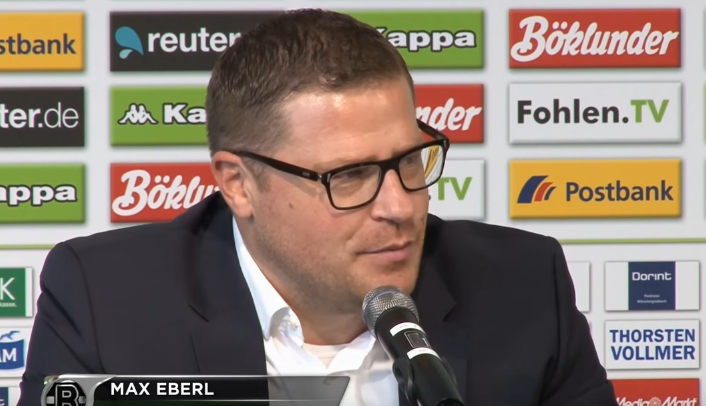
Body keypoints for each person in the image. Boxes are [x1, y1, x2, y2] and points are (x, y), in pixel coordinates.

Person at [18, 9, 618, 406]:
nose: (400, 206)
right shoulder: (105, 300)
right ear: (238, 184)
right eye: (349, 176)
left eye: (410, 160)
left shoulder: (521, 286)